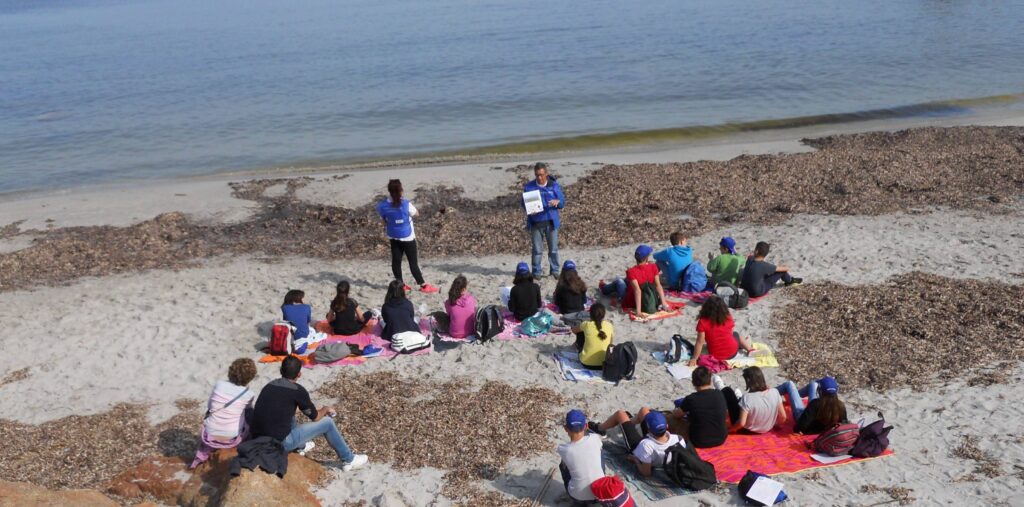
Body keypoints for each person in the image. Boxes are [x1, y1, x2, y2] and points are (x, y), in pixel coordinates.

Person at [251, 356, 368, 471]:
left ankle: (300, 447)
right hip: (280, 443)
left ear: (281, 370)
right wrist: (325, 409)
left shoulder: (268, 386)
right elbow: (315, 417)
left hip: (258, 439)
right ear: (299, 374)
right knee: (328, 423)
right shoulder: (297, 391)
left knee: (288, 413)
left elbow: (285, 409)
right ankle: (349, 459)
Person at [191, 358, 258, 468]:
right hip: (232, 437)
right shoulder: (249, 394)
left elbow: (210, 406)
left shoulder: (219, 385)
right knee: (249, 412)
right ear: (250, 377)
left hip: (210, 433)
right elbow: (248, 410)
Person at [376, 179, 440, 294]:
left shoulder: (383, 206)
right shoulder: (406, 204)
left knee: (396, 261)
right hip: (407, 236)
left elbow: (384, 217)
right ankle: (423, 285)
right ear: (401, 190)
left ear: (389, 191)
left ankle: (400, 284)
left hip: (393, 235)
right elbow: (417, 214)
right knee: (413, 262)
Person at [589, 410, 682, 477]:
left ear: (648, 429)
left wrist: (635, 459)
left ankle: (599, 428)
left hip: (637, 447)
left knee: (620, 414)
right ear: (667, 426)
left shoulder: (646, 445)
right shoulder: (678, 438)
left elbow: (646, 473)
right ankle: (628, 422)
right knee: (644, 410)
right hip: (655, 441)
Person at [522, 162, 566, 278]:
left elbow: (562, 202)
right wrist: (529, 209)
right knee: (537, 250)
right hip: (536, 223)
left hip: (551, 223)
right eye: (537, 175)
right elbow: (523, 204)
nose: (539, 177)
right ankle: (536, 272)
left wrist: (558, 202)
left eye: (541, 175)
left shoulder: (554, 186)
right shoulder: (529, 187)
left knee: (553, 249)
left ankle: (555, 270)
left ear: (546, 174)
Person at [687, 295, 757, 367]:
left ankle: (744, 347)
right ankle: (749, 349)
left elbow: (700, 342)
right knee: (736, 334)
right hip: (733, 352)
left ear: (705, 308)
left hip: (716, 356)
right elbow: (731, 333)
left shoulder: (703, 322)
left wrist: (694, 358)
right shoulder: (727, 317)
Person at [599, 245, 667, 319]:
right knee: (627, 280)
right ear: (647, 258)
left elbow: (637, 291)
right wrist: (664, 304)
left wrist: (638, 311)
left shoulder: (631, 271)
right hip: (648, 297)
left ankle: (603, 288)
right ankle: (615, 282)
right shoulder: (653, 267)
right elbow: (658, 286)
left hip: (632, 301)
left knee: (619, 281)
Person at [557, 409, 605, 504]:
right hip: (600, 493)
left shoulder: (563, 449)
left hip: (578, 497)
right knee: (600, 452)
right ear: (586, 426)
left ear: (565, 428)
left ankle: (572, 495)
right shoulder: (595, 438)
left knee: (563, 464)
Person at [674, 366, 729, 448]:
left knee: (672, 419)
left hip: (699, 441)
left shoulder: (691, 399)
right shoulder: (719, 394)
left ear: (693, 383)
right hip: (721, 438)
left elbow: (677, 415)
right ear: (710, 381)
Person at [722, 366, 786, 434]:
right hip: (768, 428)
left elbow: (741, 424)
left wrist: (730, 430)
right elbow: (783, 416)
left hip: (747, 431)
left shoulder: (747, 398)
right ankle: (738, 395)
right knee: (742, 401)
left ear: (748, 380)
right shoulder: (775, 392)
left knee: (727, 391)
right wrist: (778, 425)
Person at [777, 376, 848, 435]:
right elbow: (844, 424)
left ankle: (772, 394)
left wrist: (800, 431)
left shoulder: (815, 404)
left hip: (806, 423)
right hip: (818, 426)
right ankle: (794, 395)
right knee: (813, 384)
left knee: (789, 384)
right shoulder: (841, 406)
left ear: (820, 391)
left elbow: (799, 427)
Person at [281, 289, 326, 353]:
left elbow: (285, 322)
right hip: (302, 335)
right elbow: (307, 323)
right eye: (304, 297)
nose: (306, 299)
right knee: (315, 327)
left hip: (289, 335)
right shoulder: (306, 307)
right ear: (300, 299)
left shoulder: (284, 307)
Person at [571, 303, 613, 369]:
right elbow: (610, 344)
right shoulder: (609, 325)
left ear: (590, 314)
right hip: (604, 364)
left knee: (580, 333)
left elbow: (574, 330)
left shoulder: (586, 324)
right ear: (604, 315)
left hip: (586, 363)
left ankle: (579, 348)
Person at [553, 259, 589, 326]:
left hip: (566, 314)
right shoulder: (581, 284)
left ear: (563, 272)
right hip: (579, 313)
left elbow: (557, 303)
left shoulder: (561, 286)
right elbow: (584, 301)